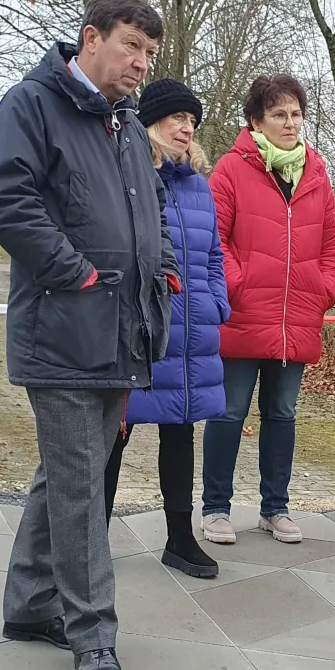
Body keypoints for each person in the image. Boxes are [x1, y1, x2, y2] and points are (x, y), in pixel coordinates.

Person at [0, 0, 178, 670]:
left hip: (121, 331)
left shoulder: (123, 121)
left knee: (68, 476)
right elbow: (2, 199)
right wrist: (76, 273)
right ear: (90, 38)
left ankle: (30, 607)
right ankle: (93, 635)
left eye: (150, 54)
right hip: (63, 330)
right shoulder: (31, 105)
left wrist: (166, 267)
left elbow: (147, 209)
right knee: (82, 489)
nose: (141, 65)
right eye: (130, 48)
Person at [200, 74, 335, 545]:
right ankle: (216, 508)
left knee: (282, 414)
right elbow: (213, 240)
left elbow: (332, 246)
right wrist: (236, 287)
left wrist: (322, 289)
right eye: (279, 114)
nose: (290, 123)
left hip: (296, 317)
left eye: (296, 114)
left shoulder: (317, 173)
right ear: (256, 120)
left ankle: (274, 508)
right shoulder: (230, 169)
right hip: (243, 314)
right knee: (229, 412)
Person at [103, 78, 228, 581]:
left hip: (192, 332)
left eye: (192, 121)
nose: (186, 128)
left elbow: (215, 254)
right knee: (115, 433)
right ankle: (91, 538)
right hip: (140, 331)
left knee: (181, 429)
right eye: (178, 118)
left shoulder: (199, 184)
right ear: (149, 122)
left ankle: (180, 538)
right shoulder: (125, 172)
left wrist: (217, 302)